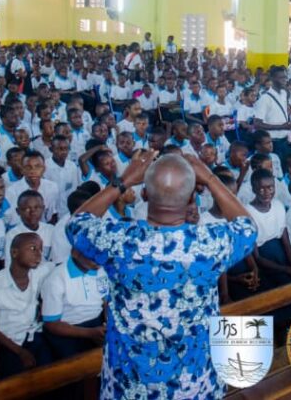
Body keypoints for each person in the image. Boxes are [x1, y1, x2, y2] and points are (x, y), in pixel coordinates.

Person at [67, 151, 257, 398]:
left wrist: (123, 181)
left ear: (144, 194)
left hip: (129, 387)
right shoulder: (210, 243)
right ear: (192, 197)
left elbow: (77, 224)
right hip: (195, 385)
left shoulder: (120, 241)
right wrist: (210, 179)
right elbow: (248, 228)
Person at [253, 66, 291, 160]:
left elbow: (283, 115)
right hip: (273, 142)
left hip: (285, 139)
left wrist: (289, 129)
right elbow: (257, 124)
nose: (284, 80)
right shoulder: (265, 99)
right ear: (272, 78)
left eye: (285, 77)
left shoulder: (284, 93)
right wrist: (281, 127)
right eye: (281, 77)